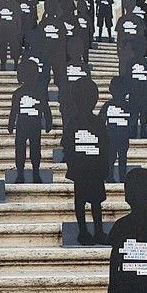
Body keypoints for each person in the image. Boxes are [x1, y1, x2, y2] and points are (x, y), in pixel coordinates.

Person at [64, 105, 111, 246]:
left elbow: (67, 145)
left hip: (84, 168)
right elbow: (105, 146)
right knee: (93, 202)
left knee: (85, 201)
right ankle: (93, 231)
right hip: (91, 167)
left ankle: (87, 231)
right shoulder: (96, 121)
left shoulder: (73, 121)